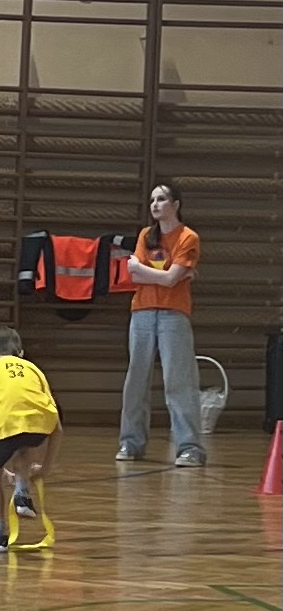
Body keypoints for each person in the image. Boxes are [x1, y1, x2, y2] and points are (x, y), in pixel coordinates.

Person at [117, 181, 205, 467]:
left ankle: (189, 448)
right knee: (136, 381)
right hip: (142, 313)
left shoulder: (188, 237)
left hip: (173, 315)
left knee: (179, 382)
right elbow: (137, 276)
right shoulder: (146, 235)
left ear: (175, 205)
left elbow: (166, 279)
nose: (155, 204)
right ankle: (131, 444)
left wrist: (153, 273)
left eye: (162, 199)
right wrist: (167, 276)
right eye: (152, 200)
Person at [0, 327, 62, 553]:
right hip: (40, 425)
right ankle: (22, 494)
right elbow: (57, 427)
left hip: (7, 423)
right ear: (21, 353)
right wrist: (46, 468)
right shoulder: (34, 370)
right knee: (24, 444)